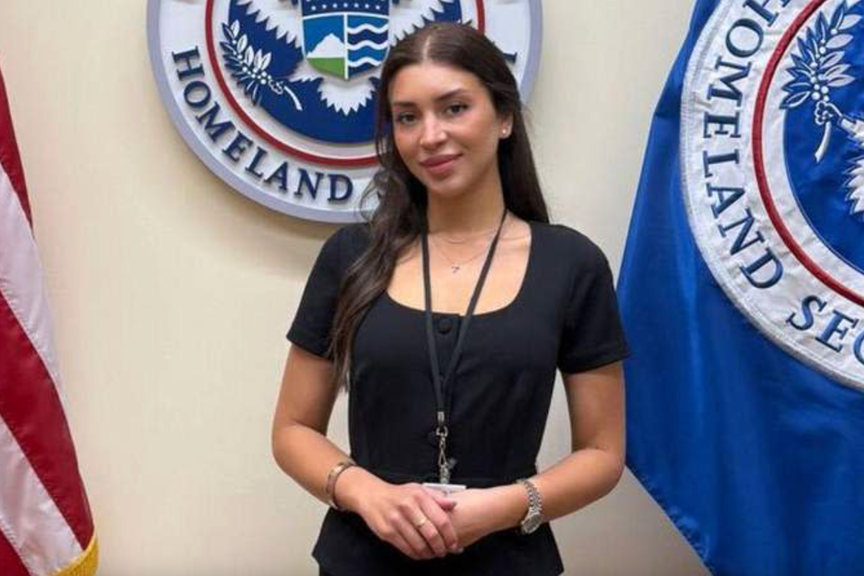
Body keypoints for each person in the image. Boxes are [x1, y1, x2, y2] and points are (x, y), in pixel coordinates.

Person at [271, 23, 629, 576]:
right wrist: (366, 492)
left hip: (509, 562)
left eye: (454, 108)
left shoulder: (572, 264)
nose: (430, 136)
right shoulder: (351, 255)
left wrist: (502, 507)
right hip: (361, 561)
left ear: (504, 117)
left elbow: (602, 453)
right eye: (407, 117)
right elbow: (292, 429)